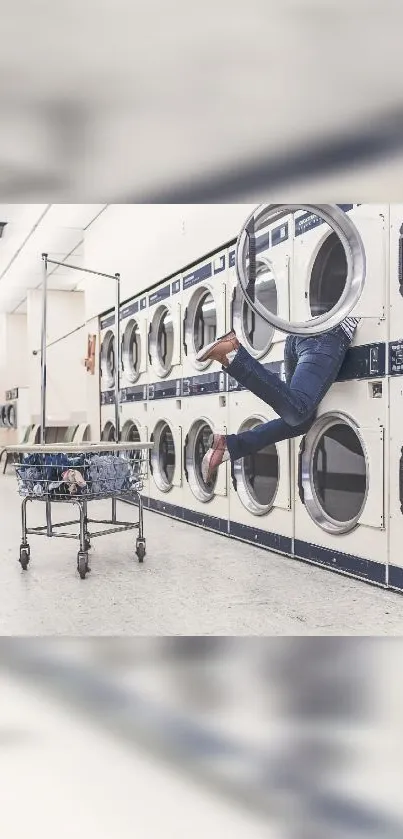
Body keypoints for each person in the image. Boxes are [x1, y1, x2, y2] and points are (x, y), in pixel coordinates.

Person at [197, 317, 360, 484]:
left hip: (301, 336)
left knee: (300, 421)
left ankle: (229, 447)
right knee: (298, 411)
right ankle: (232, 353)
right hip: (327, 335)